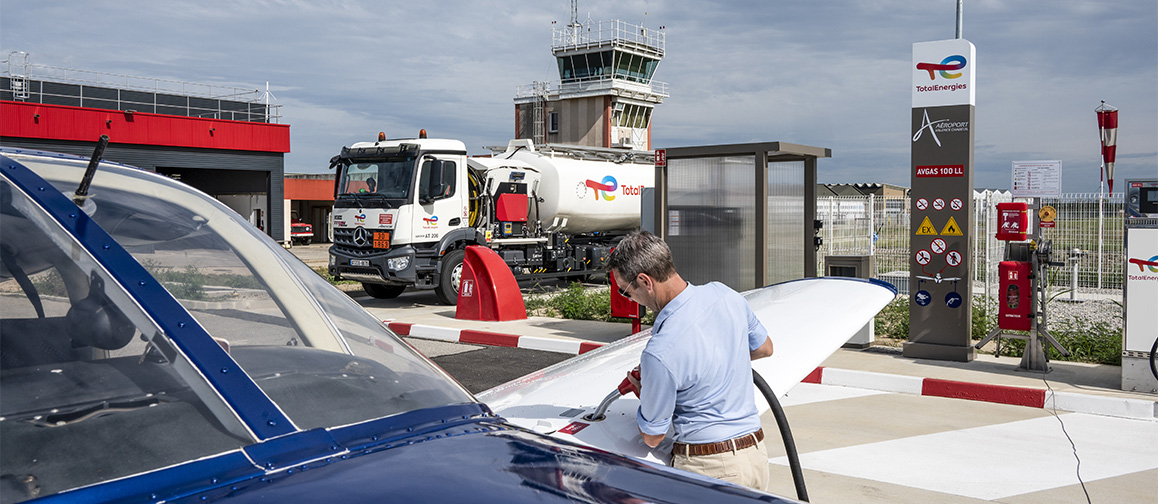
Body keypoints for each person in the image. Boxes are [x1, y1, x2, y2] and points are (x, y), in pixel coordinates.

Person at [607, 230, 774, 491]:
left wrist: (647, 392)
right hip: (756, 455)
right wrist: (716, 360)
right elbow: (764, 348)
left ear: (645, 281)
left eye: (626, 292)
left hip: (710, 469)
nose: (630, 300)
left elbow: (653, 437)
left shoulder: (659, 352)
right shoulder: (725, 294)